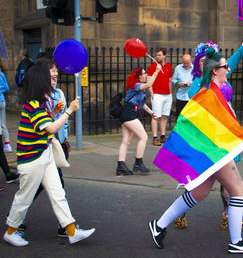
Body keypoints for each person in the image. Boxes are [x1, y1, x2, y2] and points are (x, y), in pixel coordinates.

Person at [149, 47, 243, 254]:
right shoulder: (208, 94)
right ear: (215, 70)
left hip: (214, 151)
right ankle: (236, 242)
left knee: (200, 191)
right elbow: (191, 123)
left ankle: (159, 225)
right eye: (225, 67)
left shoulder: (212, 90)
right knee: (237, 188)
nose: (228, 69)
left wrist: (242, 49)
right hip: (215, 152)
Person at [3, 65, 95, 247]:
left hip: (43, 155)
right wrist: (69, 111)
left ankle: (72, 231)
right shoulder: (34, 106)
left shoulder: (39, 105)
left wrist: (53, 114)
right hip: (32, 160)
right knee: (24, 198)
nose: (52, 80)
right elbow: (51, 129)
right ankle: (11, 232)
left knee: (57, 193)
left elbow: (44, 126)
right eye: (48, 78)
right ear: (40, 83)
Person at [174, 39, 243, 230]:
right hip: (209, 138)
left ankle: (228, 216)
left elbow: (229, 63)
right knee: (198, 181)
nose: (204, 63)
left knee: (229, 181)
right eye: (201, 61)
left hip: (226, 134)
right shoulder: (196, 85)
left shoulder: (220, 76)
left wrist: (242, 48)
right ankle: (178, 213)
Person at [116, 65, 162, 175]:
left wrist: (152, 113)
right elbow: (149, 84)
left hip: (128, 113)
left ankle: (120, 166)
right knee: (144, 137)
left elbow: (142, 104)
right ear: (140, 76)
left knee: (126, 141)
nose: (146, 74)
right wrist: (156, 71)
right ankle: (138, 163)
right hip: (129, 114)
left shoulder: (139, 88)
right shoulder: (136, 85)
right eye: (144, 73)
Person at [147, 48, 173, 146]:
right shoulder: (152, 67)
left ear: (164, 56)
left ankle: (162, 136)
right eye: (156, 55)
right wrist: (152, 94)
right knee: (155, 116)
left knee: (164, 117)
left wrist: (170, 93)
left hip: (167, 95)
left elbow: (169, 80)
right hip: (157, 95)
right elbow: (149, 82)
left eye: (159, 55)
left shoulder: (169, 67)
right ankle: (155, 137)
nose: (157, 57)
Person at [0, 59, 12, 152]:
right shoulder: (2, 74)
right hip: (2, 100)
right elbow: (7, 87)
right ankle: (7, 144)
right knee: (3, 123)